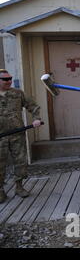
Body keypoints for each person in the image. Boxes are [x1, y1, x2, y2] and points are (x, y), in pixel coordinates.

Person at [0, 69, 42, 204]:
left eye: (10, 78)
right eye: (5, 79)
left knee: (20, 162)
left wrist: (36, 119)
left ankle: (19, 187)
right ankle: (0, 190)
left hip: (17, 134)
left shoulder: (17, 94)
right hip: (0, 136)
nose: (9, 81)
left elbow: (33, 106)